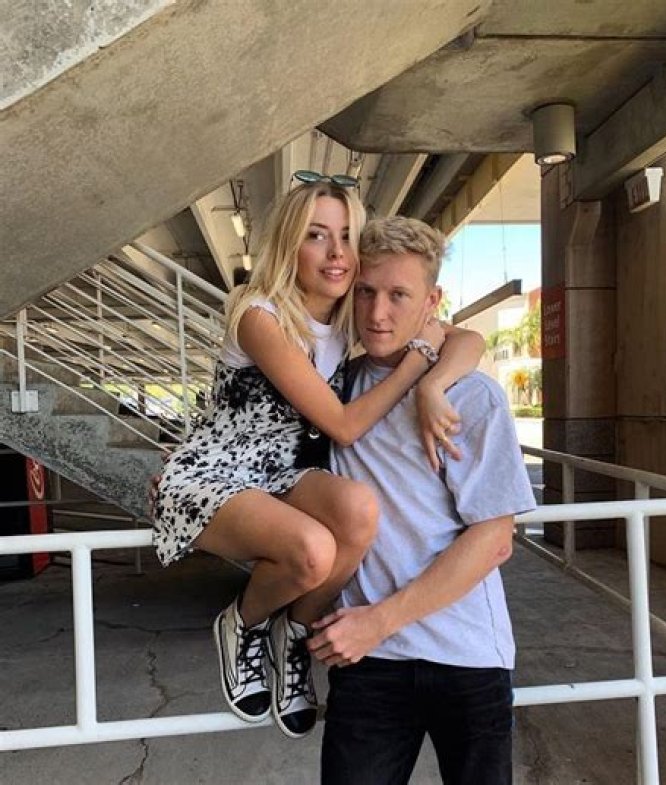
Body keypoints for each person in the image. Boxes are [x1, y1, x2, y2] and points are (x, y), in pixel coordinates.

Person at [151, 177, 485, 740]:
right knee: (313, 551)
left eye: (347, 236)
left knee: (359, 509)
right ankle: (243, 624)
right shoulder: (260, 315)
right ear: (290, 243)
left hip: (283, 472)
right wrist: (416, 365)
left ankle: (295, 632)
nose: (336, 253)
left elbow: (466, 339)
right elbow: (344, 426)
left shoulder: (349, 316)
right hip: (217, 473)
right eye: (317, 235)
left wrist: (434, 384)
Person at [308, 216, 537, 785]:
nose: (377, 313)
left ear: (432, 301)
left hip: (466, 654)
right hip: (369, 662)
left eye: (398, 295)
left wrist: (379, 622)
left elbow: (494, 540)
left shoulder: (469, 393)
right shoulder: (333, 391)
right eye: (366, 292)